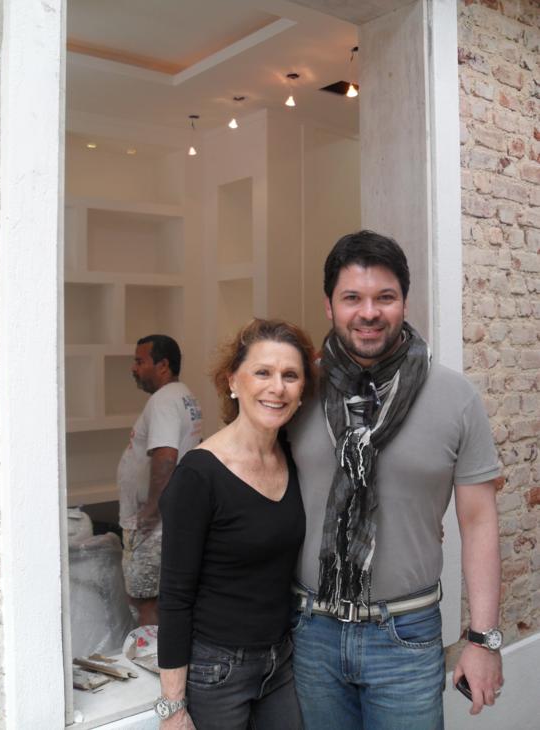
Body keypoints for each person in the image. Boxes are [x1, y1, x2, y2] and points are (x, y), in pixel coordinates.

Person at [286, 230, 504, 730]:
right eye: (352, 298)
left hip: (405, 634)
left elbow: (478, 522)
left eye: (384, 297)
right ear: (329, 305)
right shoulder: (296, 391)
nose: (369, 312)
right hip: (311, 632)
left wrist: (483, 638)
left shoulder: (455, 397)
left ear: (405, 302)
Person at [155, 319, 316, 730]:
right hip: (216, 670)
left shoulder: (293, 458)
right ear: (232, 381)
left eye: (290, 376)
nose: (277, 387)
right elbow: (174, 596)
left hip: (281, 661)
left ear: (302, 391)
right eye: (262, 372)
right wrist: (172, 707)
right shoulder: (198, 475)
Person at [117, 334, 202, 626]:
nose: (134, 368)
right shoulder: (183, 395)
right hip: (171, 520)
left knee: (146, 602)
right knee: (161, 598)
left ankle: (150, 655)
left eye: (140, 361)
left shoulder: (163, 400)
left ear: (163, 365)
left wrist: (150, 512)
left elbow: (166, 456)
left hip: (154, 526)